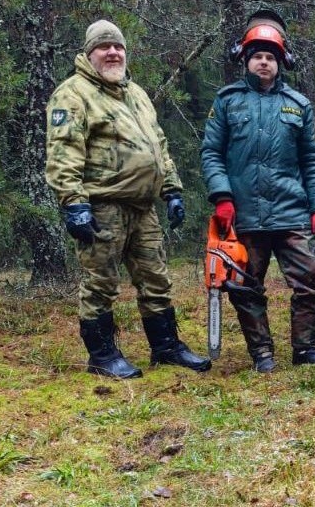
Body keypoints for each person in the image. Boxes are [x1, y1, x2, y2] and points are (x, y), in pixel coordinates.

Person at [46, 19, 210, 379]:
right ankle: (102, 355)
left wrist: (172, 191)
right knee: (101, 282)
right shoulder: (73, 94)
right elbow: (63, 153)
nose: (113, 52)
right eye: (104, 47)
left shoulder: (135, 93)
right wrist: (74, 204)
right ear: (89, 54)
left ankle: (166, 347)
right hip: (102, 206)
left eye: (118, 46)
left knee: (156, 279)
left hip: (143, 208)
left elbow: (159, 145)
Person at [200, 9, 315, 374]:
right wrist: (222, 197)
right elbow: (211, 153)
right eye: (257, 56)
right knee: (245, 286)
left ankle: (305, 349)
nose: (263, 63)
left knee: (310, 281)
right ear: (245, 60)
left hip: (292, 211)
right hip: (244, 213)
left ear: (281, 62)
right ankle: (261, 353)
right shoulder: (226, 102)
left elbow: (311, 159)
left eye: (270, 57)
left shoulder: (299, 105)